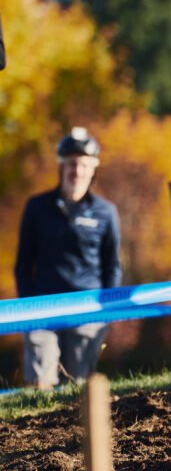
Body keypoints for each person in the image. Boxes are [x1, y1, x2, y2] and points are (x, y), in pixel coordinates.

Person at [15, 127, 122, 388]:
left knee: (77, 386)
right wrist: (28, 305)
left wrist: (106, 310)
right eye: (72, 163)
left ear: (93, 168)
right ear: (62, 166)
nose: (77, 171)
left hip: (87, 310)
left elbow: (113, 266)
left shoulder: (106, 212)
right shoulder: (37, 207)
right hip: (42, 308)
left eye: (84, 164)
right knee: (40, 384)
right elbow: (23, 264)